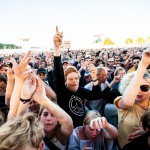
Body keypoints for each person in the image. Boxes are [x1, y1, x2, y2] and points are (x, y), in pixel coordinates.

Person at [53, 26, 103, 127]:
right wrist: (56, 48)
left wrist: (94, 78)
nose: (75, 81)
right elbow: (58, 72)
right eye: (70, 79)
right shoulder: (62, 90)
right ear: (65, 81)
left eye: (76, 78)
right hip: (68, 130)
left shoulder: (80, 90)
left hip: (83, 128)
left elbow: (96, 95)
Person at [114, 48, 150, 149]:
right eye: (134, 87)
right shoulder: (120, 101)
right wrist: (143, 64)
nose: (138, 92)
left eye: (144, 87)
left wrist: (147, 131)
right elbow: (127, 102)